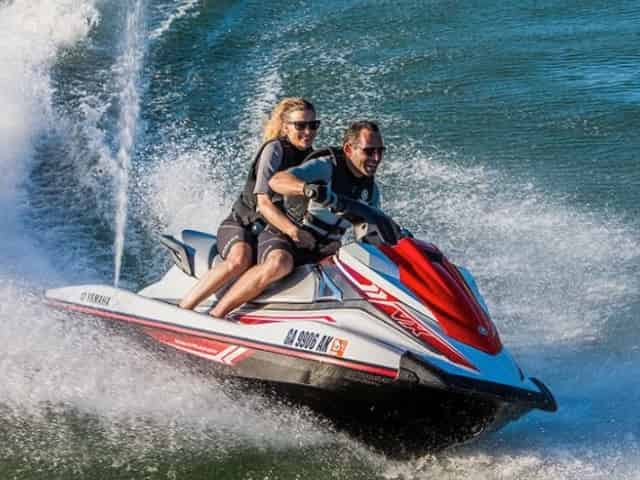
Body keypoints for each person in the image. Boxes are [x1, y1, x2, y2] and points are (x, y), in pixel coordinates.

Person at [208, 120, 384, 318]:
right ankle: (217, 314)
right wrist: (307, 189)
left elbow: (367, 232)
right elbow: (277, 181)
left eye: (380, 151)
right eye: (369, 151)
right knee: (279, 263)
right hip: (286, 235)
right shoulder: (326, 167)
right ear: (349, 149)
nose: (376, 158)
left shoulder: (371, 192)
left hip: (320, 249)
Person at [179, 97, 320, 316]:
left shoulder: (312, 159)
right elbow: (263, 204)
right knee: (240, 260)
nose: (308, 131)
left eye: (313, 125)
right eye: (300, 125)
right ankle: (184, 310)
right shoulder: (275, 150)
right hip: (242, 225)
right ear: (285, 127)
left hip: (269, 233)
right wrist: (294, 232)